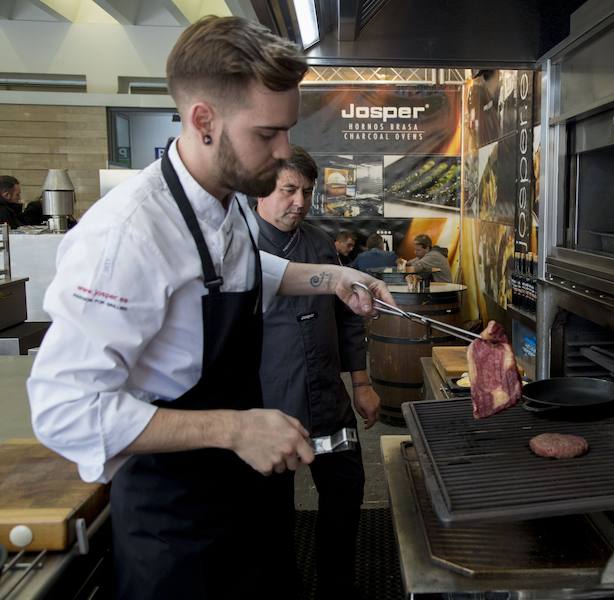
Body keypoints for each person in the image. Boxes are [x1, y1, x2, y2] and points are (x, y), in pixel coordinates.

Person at [26, 16, 393, 600]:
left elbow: (244, 273)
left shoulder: (226, 203)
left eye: (287, 132)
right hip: (176, 527)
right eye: (267, 134)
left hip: (244, 499)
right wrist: (234, 427)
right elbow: (64, 409)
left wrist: (336, 277)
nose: (282, 155)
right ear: (203, 121)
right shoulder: (127, 236)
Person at [255, 146, 378, 598]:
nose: (300, 202)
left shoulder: (320, 243)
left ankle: (337, 586)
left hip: (328, 401)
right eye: (289, 190)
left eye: (307, 191)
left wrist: (361, 382)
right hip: (271, 406)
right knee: (272, 514)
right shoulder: (239, 246)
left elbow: (347, 317)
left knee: (346, 492)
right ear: (262, 189)